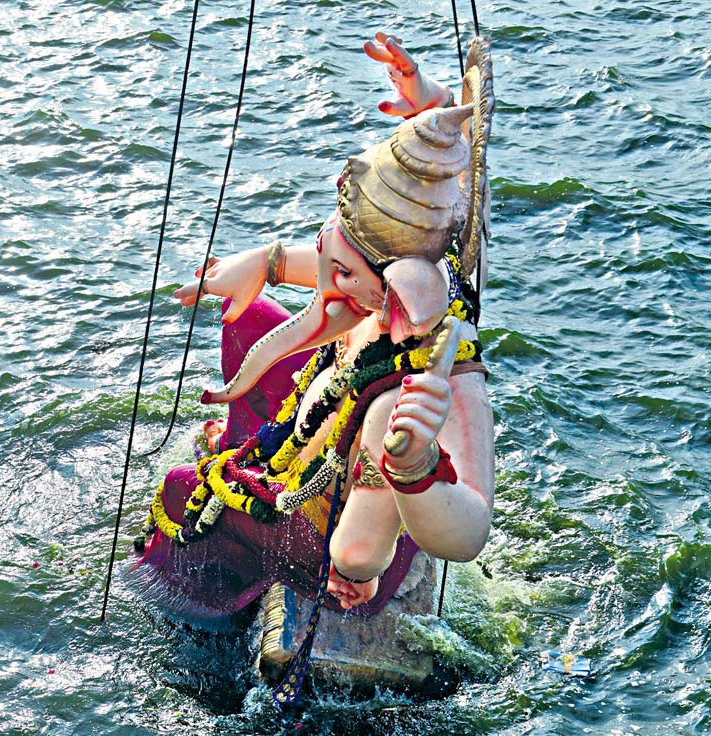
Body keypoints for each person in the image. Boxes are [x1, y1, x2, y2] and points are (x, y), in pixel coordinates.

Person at [134, 32, 495, 616]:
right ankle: (246, 445)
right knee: (249, 319)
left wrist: (414, 466)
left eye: (345, 276)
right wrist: (267, 262)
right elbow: (455, 165)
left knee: (180, 491)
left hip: (329, 533)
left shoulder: (433, 378)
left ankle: (193, 601)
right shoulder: (404, 271)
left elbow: (465, 534)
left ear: (397, 294)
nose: (326, 286)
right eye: (328, 251)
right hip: (323, 426)